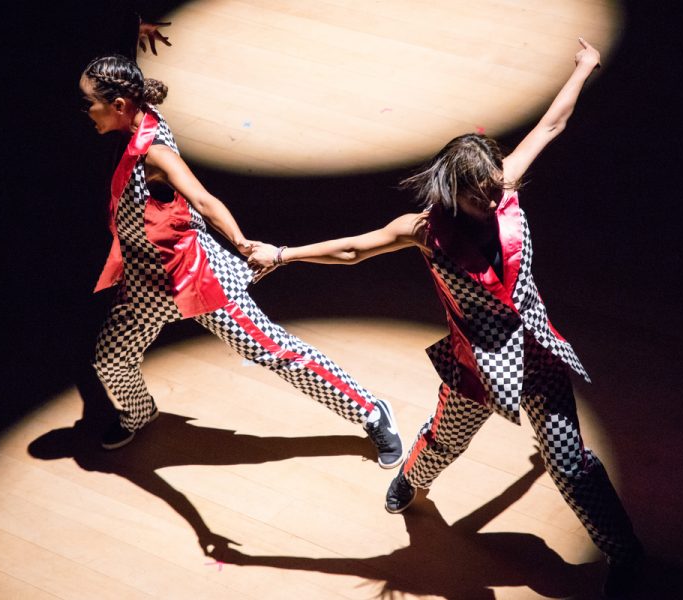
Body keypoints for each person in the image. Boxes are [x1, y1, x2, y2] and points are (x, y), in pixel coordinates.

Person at [248, 38, 643, 597]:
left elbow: (551, 126)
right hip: (475, 367)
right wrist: (283, 254)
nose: (494, 199)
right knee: (442, 443)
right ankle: (410, 479)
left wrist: (583, 67)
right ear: (455, 193)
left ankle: (625, 556)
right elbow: (353, 250)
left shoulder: (502, 185)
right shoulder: (423, 231)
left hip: (537, 354)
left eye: (495, 190)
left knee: (571, 465)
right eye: (480, 197)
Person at [78, 54, 403, 471]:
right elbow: (123, 73)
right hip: (146, 283)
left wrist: (241, 243)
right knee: (110, 359)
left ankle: (372, 412)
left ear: (120, 105)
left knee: (274, 351)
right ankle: (139, 412)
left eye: (88, 102)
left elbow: (203, 200)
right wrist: (135, 31)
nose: (85, 111)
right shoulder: (137, 113)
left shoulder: (155, 153)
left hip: (196, 279)